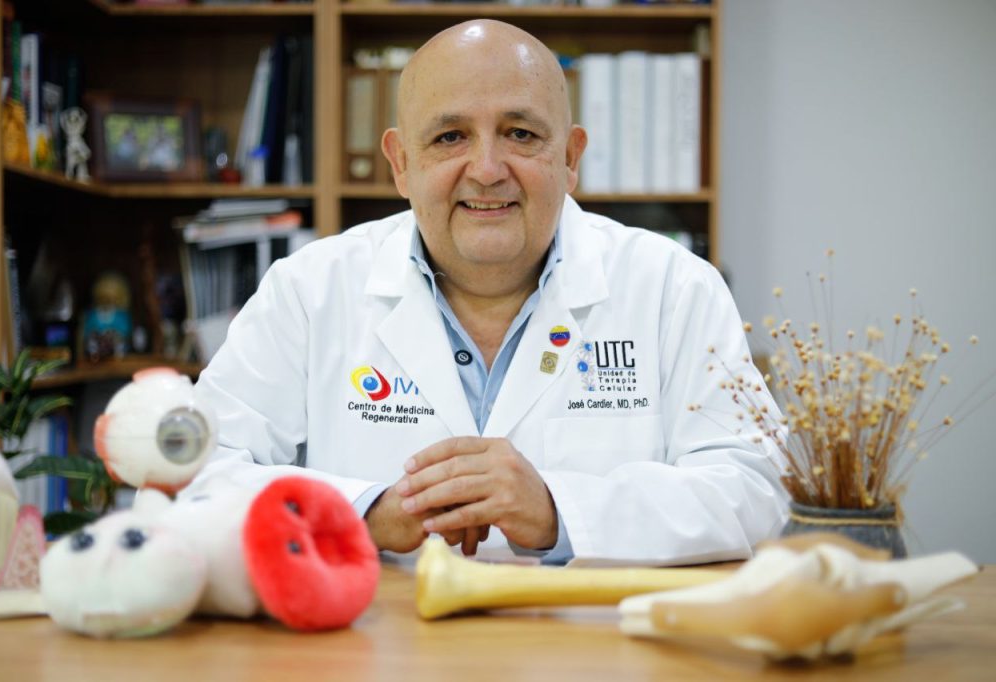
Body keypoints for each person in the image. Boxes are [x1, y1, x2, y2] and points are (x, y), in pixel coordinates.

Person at [191, 20, 788, 565]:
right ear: (401, 163)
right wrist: (363, 513)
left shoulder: (674, 288)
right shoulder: (309, 290)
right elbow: (194, 471)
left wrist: (559, 509)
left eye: (520, 134)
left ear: (570, 157)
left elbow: (758, 488)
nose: (486, 169)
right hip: (378, 636)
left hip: (596, 636)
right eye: (450, 136)